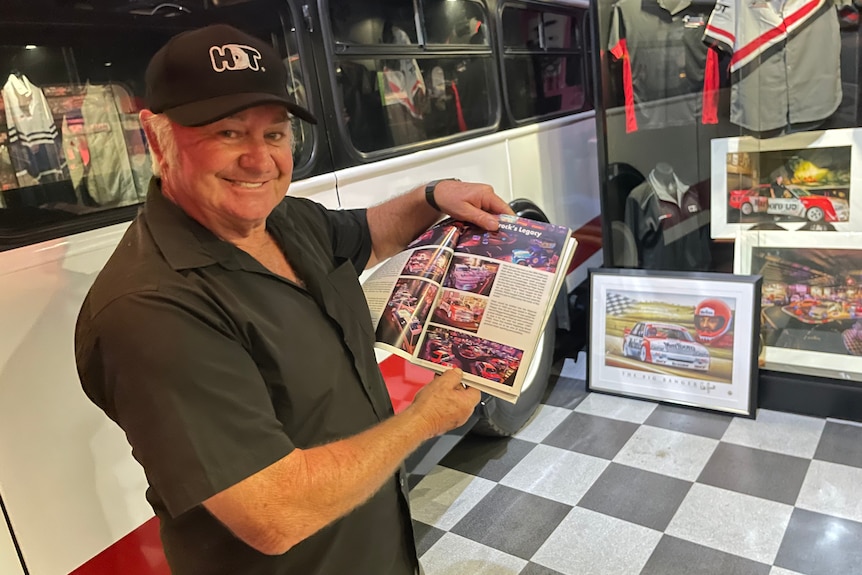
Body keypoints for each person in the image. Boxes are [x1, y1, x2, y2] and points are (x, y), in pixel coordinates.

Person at [74, 24, 514, 575]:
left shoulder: (288, 219)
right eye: (229, 134)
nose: (260, 161)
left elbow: (370, 231)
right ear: (155, 135)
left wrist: (433, 196)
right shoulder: (149, 309)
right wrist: (422, 421)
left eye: (276, 134)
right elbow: (276, 511)